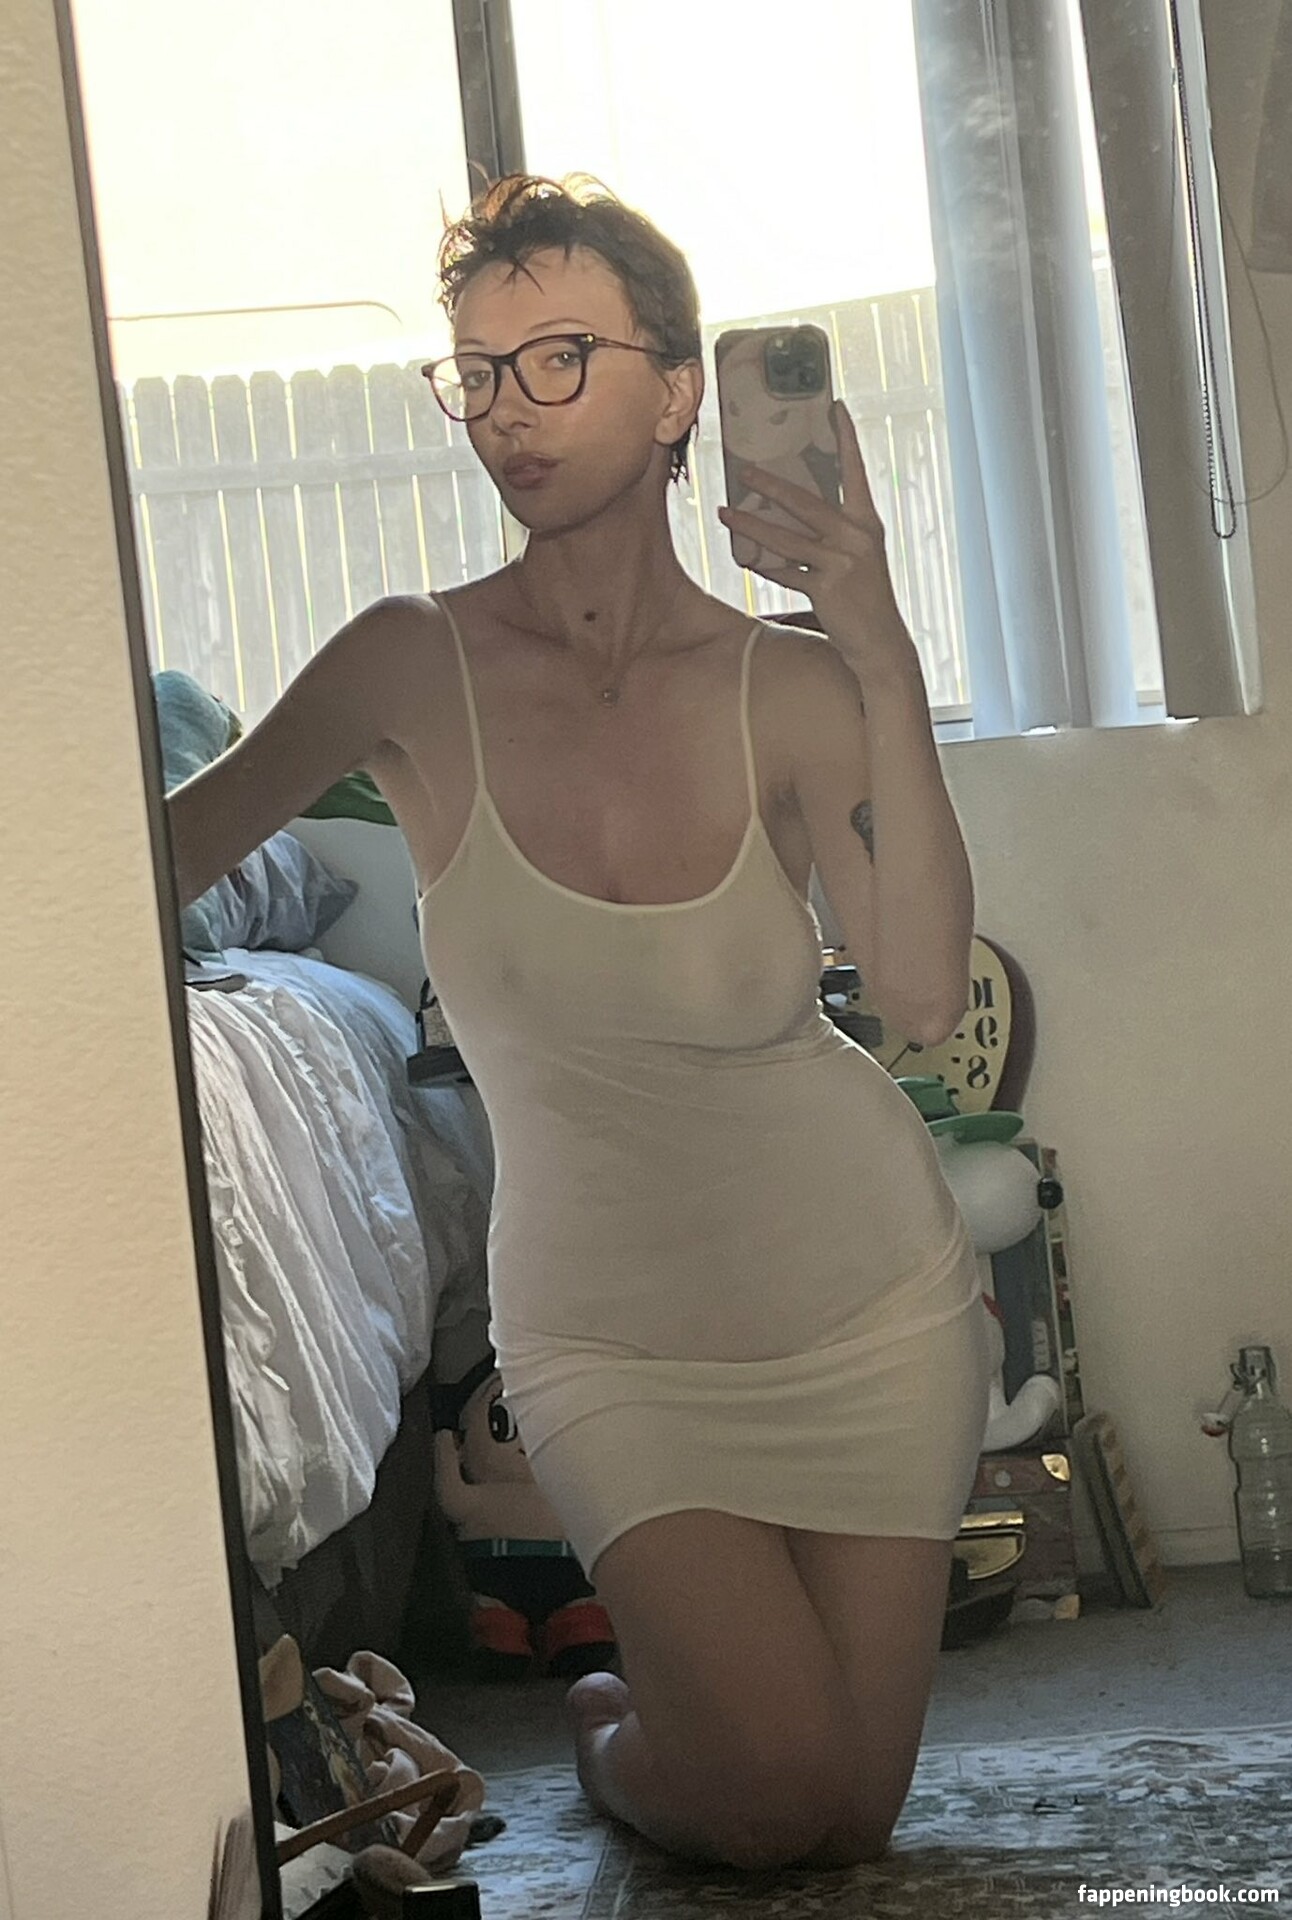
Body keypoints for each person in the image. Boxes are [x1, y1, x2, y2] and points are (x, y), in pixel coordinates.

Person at [167, 174, 992, 1876]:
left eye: (558, 359)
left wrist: (882, 649)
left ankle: (660, 1719)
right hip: (611, 1343)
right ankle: (607, 1730)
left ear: (678, 391)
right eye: (476, 372)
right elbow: (155, 856)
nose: (506, 410)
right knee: (780, 1805)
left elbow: (918, 994)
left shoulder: (791, 686)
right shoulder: (407, 663)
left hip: (866, 1305)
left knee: (851, 1815)